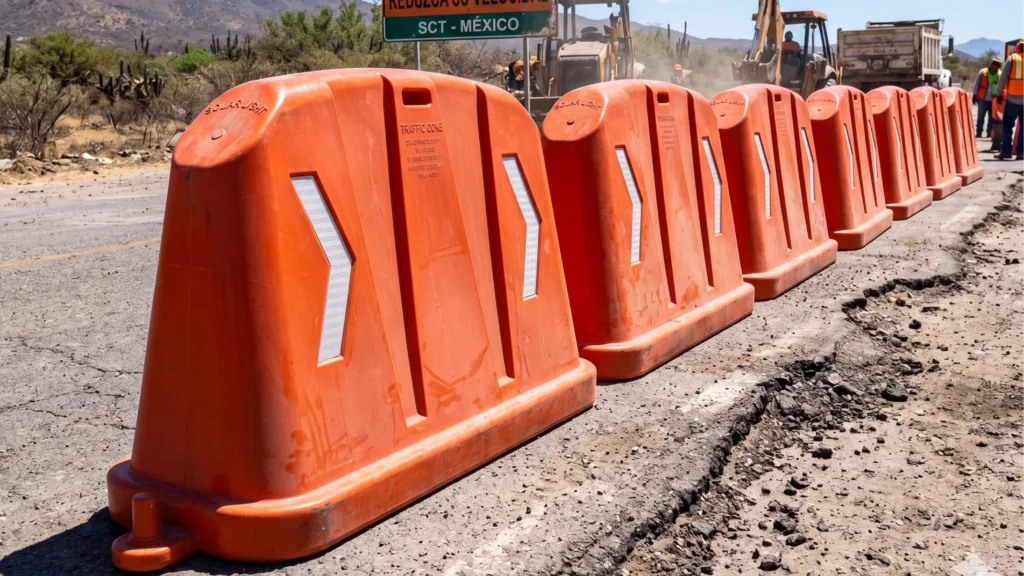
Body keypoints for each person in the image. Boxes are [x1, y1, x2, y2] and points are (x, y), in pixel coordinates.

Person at [995, 40, 1024, 160]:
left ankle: (1006, 151)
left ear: (1018, 48)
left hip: (1013, 99)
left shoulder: (1013, 58)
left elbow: (1003, 78)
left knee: (1007, 125)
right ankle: (1021, 153)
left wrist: (999, 93)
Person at [972, 58, 1001, 138]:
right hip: (982, 99)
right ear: (991, 64)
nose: (995, 66)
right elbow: (977, 83)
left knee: (992, 118)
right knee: (980, 116)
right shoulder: (983, 72)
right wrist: (974, 95)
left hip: (994, 100)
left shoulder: (1000, 74)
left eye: (998, 65)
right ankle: (979, 133)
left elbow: (1002, 87)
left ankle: (989, 133)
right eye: (994, 64)